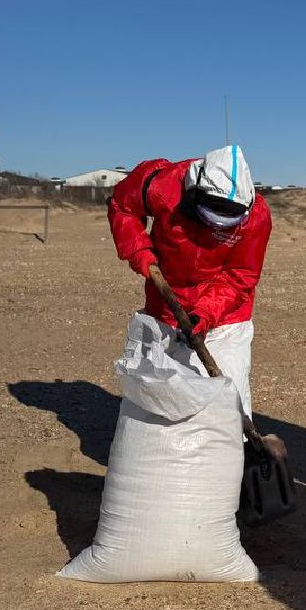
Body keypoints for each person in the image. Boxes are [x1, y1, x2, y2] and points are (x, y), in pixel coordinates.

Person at [107, 146, 270, 414]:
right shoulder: (161, 184)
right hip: (165, 306)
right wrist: (139, 251)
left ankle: (230, 438)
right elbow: (122, 206)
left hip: (225, 317)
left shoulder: (257, 217)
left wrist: (203, 315)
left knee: (224, 401)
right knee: (155, 397)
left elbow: (239, 277)